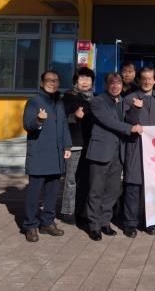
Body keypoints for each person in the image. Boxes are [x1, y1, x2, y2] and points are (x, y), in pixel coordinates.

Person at [86, 72, 143, 241]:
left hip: (118, 154)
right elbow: (109, 121)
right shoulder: (97, 101)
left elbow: (130, 119)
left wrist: (136, 109)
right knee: (96, 191)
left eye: (118, 83)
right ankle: (94, 225)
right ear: (105, 85)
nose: (115, 86)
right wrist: (130, 129)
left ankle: (105, 222)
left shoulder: (123, 101)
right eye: (112, 83)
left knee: (112, 191)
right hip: (100, 152)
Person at [21, 70, 72, 242]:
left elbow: (64, 125)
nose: (52, 83)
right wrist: (39, 120)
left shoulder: (59, 102)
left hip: (56, 155)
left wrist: (67, 145)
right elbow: (27, 125)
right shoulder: (34, 101)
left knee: (52, 193)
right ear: (42, 83)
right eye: (49, 80)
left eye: (55, 80)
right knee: (34, 194)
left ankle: (47, 223)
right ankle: (30, 225)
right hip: (39, 154)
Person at [123, 67, 155, 238]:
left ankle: (150, 221)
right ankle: (130, 223)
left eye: (150, 78)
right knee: (133, 186)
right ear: (139, 80)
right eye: (144, 78)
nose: (147, 81)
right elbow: (126, 122)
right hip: (136, 147)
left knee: (152, 187)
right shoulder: (129, 98)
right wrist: (135, 109)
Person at [59, 67, 95, 225]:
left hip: (90, 144)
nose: (85, 82)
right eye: (82, 78)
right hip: (74, 144)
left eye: (88, 78)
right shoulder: (68, 97)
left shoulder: (94, 98)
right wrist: (74, 116)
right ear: (75, 81)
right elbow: (60, 119)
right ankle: (68, 211)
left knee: (85, 179)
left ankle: (81, 210)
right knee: (71, 179)